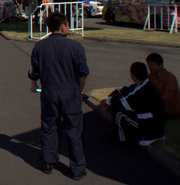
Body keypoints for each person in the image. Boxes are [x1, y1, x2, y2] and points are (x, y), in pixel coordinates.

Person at [29, 11, 89, 180]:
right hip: (70, 91)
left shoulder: (40, 46)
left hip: (49, 91)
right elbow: (82, 73)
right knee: (73, 130)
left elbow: (35, 70)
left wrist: (34, 85)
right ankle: (77, 168)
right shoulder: (75, 47)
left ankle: (48, 161)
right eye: (67, 25)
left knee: (49, 127)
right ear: (63, 27)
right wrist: (79, 88)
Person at [101, 62, 165, 147]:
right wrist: (110, 99)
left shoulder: (141, 91)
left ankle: (121, 140)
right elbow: (121, 90)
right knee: (122, 108)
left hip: (150, 129)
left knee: (119, 113)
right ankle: (127, 136)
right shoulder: (146, 84)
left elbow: (120, 103)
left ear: (132, 75)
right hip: (157, 125)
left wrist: (106, 102)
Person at [146, 53, 180, 119]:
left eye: (153, 64)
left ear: (161, 65)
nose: (150, 67)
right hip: (158, 104)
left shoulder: (169, 77)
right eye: (149, 64)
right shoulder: (151, 76)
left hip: (172, 108)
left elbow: (168, 96)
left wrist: (153, 102)